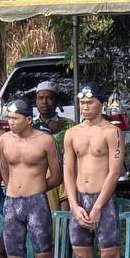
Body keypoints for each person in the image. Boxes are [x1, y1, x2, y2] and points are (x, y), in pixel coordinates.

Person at [63, 83, 125, 258]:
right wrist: (73, 204)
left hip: (103, 200)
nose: (85, 107)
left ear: (101, 104)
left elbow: (114, 171)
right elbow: (68, 171)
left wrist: (98, 206)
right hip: (80, 199)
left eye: (90, 103)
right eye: (82, 103)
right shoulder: (72, 134)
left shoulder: (112, 132)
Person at [0, 99, 62, 258]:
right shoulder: (4, 140)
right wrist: (13, 189)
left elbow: (57, 175)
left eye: (15, 119)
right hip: (12, 204)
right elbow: (4, 170)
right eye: (9, 118)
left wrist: (37, 189)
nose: (11, 122)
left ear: (28, 119)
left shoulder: (45, 141)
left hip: (36, 203)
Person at [34, 80, 74, 211]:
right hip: (36, 176)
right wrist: (47, 129)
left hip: (63, 177)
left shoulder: (70, 125)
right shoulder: (28, 126)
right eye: (40, 98)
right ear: (36, 101)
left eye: (49, 98)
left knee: (60, 221)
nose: (44, 102)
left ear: (56, 101)